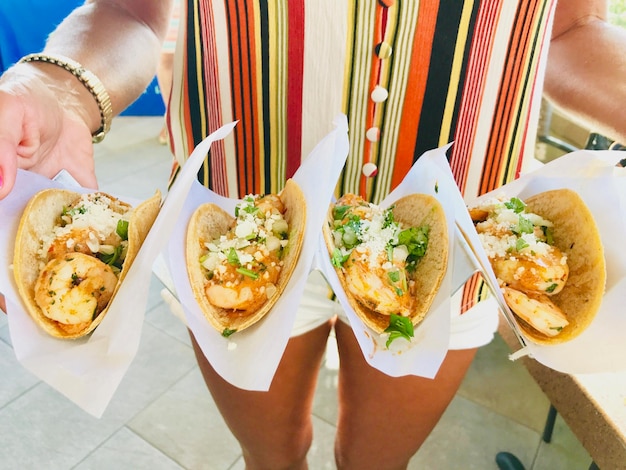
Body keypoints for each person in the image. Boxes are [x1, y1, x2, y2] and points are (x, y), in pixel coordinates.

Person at [0, 1, 625, 468]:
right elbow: (132, 10)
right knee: (272, 459)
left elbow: (567, 29)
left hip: (454, 254)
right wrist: (52, 87)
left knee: (376, 464)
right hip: (239, 236)